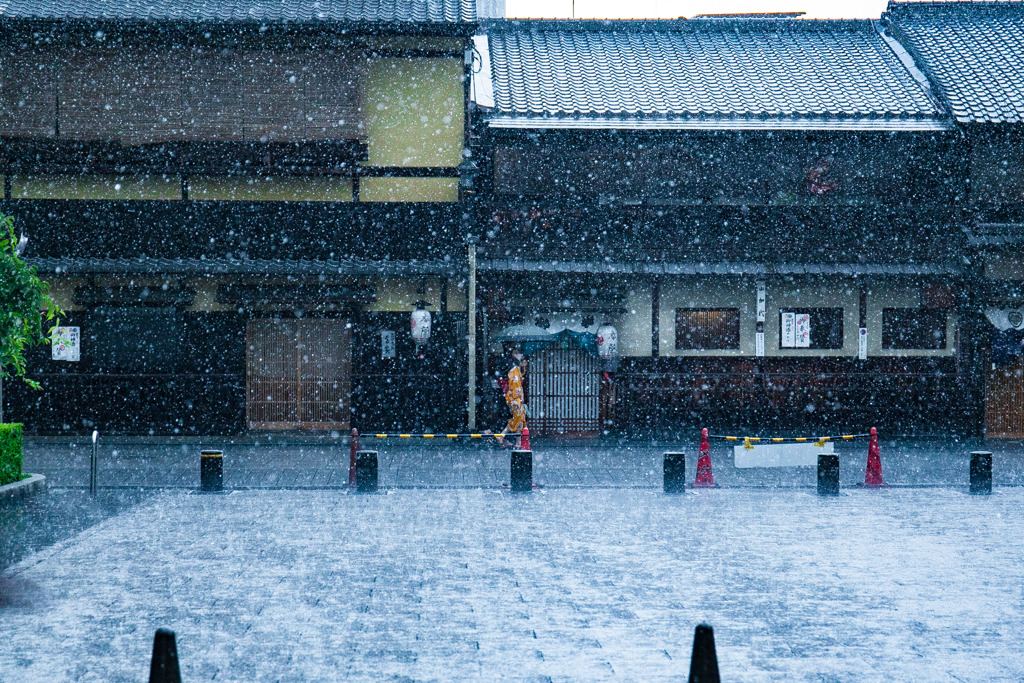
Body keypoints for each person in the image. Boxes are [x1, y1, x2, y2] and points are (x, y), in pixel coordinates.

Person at [495, 347, 528, 448]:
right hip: (514, 398)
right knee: (518, 417)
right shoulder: (514, 369)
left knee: (520, 419)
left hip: (515, 398)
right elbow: (515, 385)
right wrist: (519, 396)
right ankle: (502, 435)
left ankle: (518, 443)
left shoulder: (516, 369)